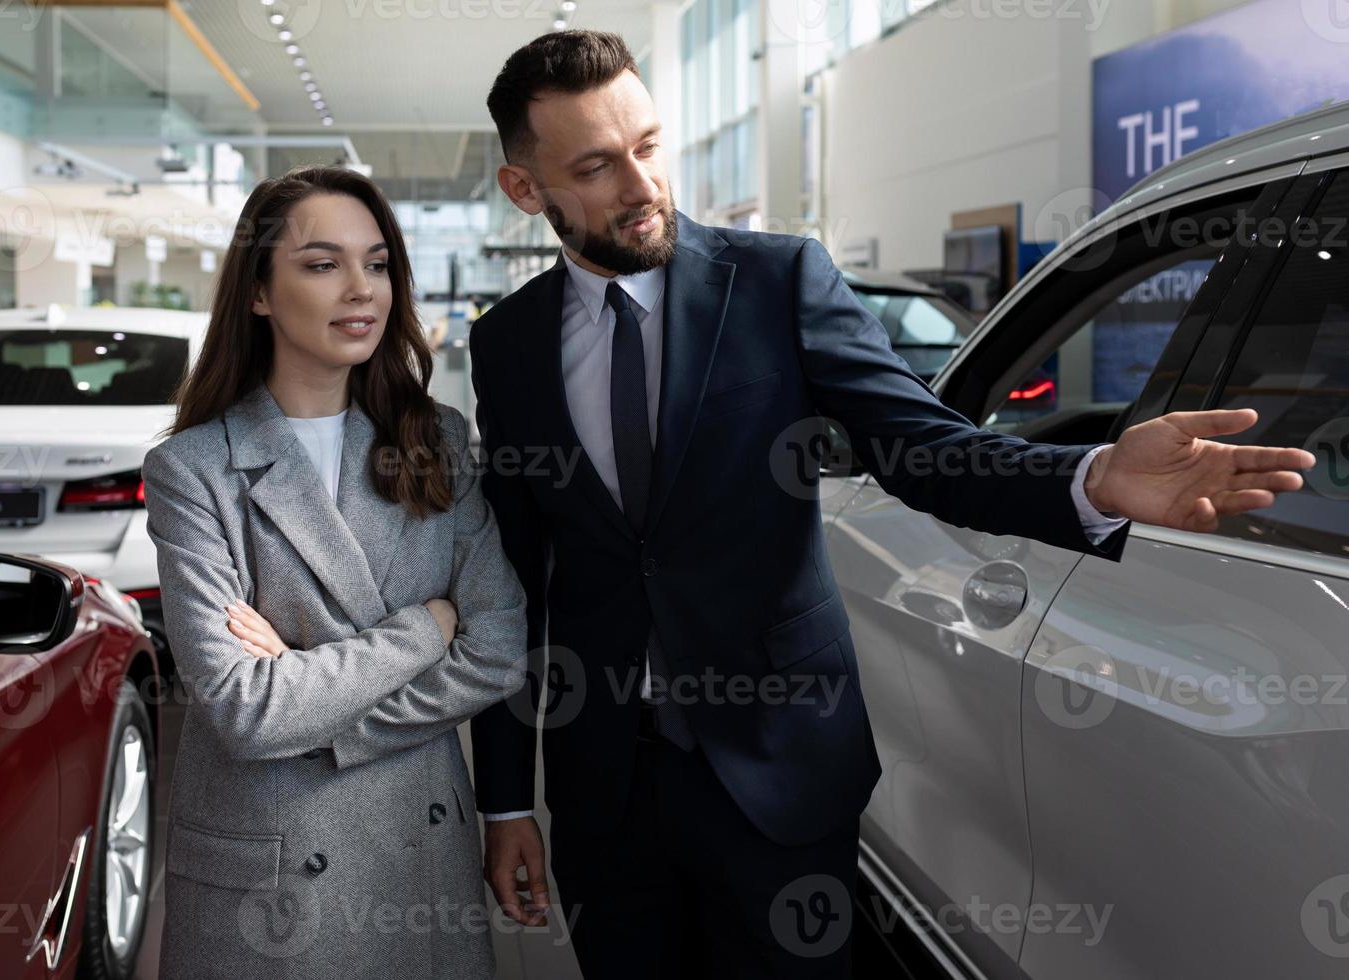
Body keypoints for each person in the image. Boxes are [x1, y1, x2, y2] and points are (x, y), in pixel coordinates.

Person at [467, 30, 1317, 979]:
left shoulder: (778, 281)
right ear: (525, 189)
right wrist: (505, 801)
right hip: (605, 792)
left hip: (780, 777)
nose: (641, 184)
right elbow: (513, 579)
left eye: (649, 145)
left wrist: (1089, 477)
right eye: (596, 165)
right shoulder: (507, 346)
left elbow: (923, 450)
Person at [141, 165, 527, 979]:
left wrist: (310, 705)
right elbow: (244, 713)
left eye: (378, 263)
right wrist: (424, 630)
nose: (362, 290)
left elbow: (497, 646)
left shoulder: (438, 441)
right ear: (258, 292)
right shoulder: (194, 469)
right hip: (272, 873)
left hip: (419, 856)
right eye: (323, 265)